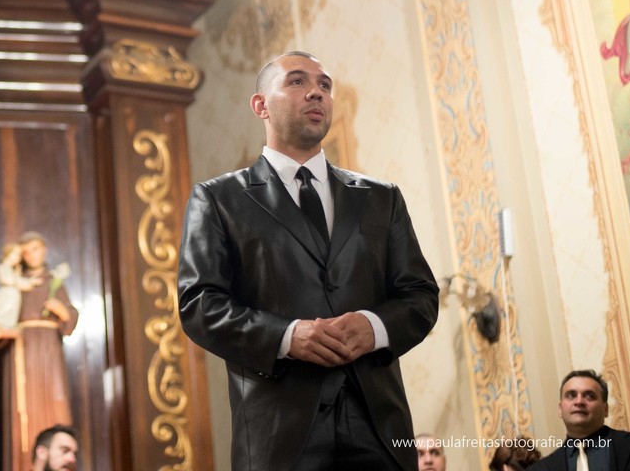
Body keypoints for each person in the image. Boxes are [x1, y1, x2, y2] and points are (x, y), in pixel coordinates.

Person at [178, 51, 439, 471]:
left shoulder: (381, 197)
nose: (317, 92)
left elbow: (421, 297)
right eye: (297, 82)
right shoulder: (218, 199)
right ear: (260, 105)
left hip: (380, 429)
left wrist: (373, 328)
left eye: (325, 85)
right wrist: (287, 336)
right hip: (278, 436)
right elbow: (200, 306)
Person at [0, 231, 78, 471]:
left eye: (36, 249)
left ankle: (58, 459)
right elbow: (0, 322)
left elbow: (71, 319)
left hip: (49, 351)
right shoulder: (14, 283)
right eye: (26, 251)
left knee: (55, 401)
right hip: (22, 352)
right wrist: (3, 333)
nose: (32, 255)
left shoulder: (53, 281)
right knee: (22, 411)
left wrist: (61, 310)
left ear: (44, 251)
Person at [529, 370, 630, 470]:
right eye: (571, 395)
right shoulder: (540, 469)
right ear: (560, 409)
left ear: (605, 409)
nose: (579, 401)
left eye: (589, 396)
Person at [0, 241, 37, 332]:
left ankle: (8, 325)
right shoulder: (2, 267)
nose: (19, 258)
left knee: (12, 310)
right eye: (17, 255)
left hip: (13, 295)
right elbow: (8, 280)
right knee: (4, 308)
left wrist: (30, 282)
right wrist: (18, 280)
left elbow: (19, 282)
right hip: (7, 294)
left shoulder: (13, 271)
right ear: (9, 254)